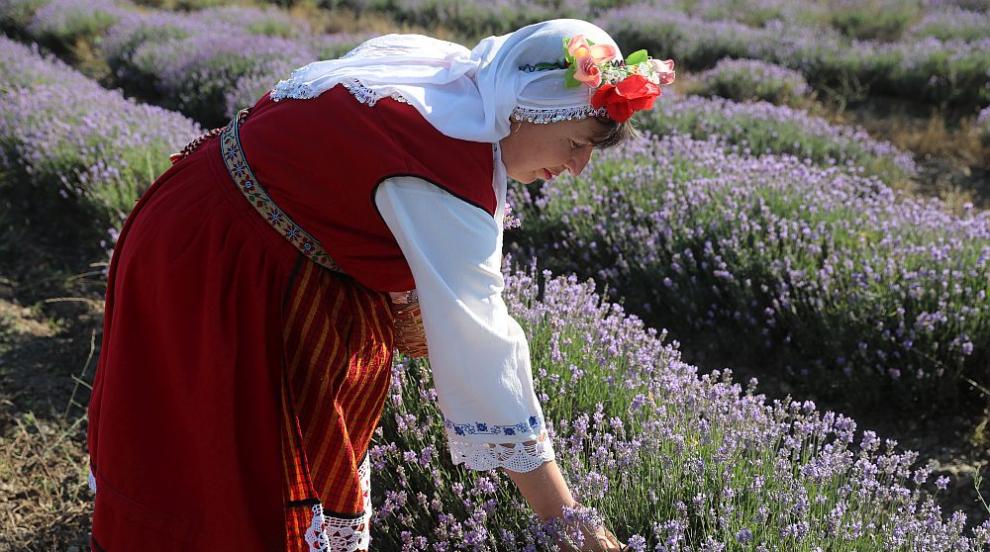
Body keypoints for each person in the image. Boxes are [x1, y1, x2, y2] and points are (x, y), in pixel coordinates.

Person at [85, 18, 674, 551]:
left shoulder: (449, 75)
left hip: (193, 219)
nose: (576, 169)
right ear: (526, 108)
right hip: (227, 267)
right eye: (575, 144)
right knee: (228, 459)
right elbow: (483, 349)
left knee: (191, 436)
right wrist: (565, 518)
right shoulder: (438, 169)